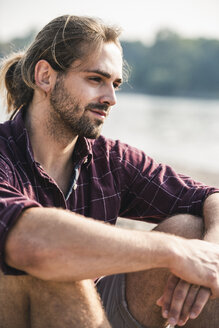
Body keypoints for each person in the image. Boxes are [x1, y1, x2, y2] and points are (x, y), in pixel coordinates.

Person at [0, 14, 219, 328]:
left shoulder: (112, 159)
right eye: (95, 79)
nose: (111, 99)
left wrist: (209, 256)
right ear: (46, 77)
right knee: (61, 262)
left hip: (93, 310)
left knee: (192, 229)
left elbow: (211, 196)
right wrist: (174, 251)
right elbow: (30, 243)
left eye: (115, 84)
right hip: (19, 312)